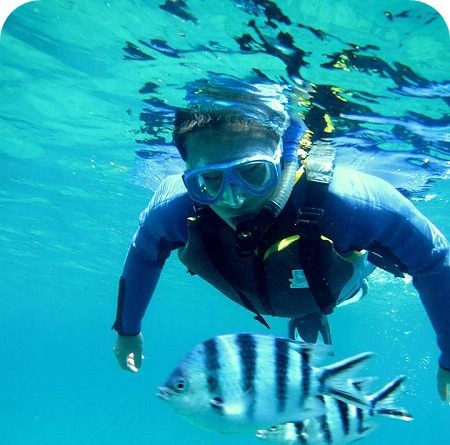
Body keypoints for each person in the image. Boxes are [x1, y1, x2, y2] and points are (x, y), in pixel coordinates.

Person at [112, 81, 450, 402]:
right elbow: (144, 254)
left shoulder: (350, 203)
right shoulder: (175, 211)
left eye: (252, 173)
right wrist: (127, 330)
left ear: (280, 156)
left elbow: (434, 261)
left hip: (339, 284)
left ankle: (328, 304)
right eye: (209, 182)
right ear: (189, 178)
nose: (233, 198)